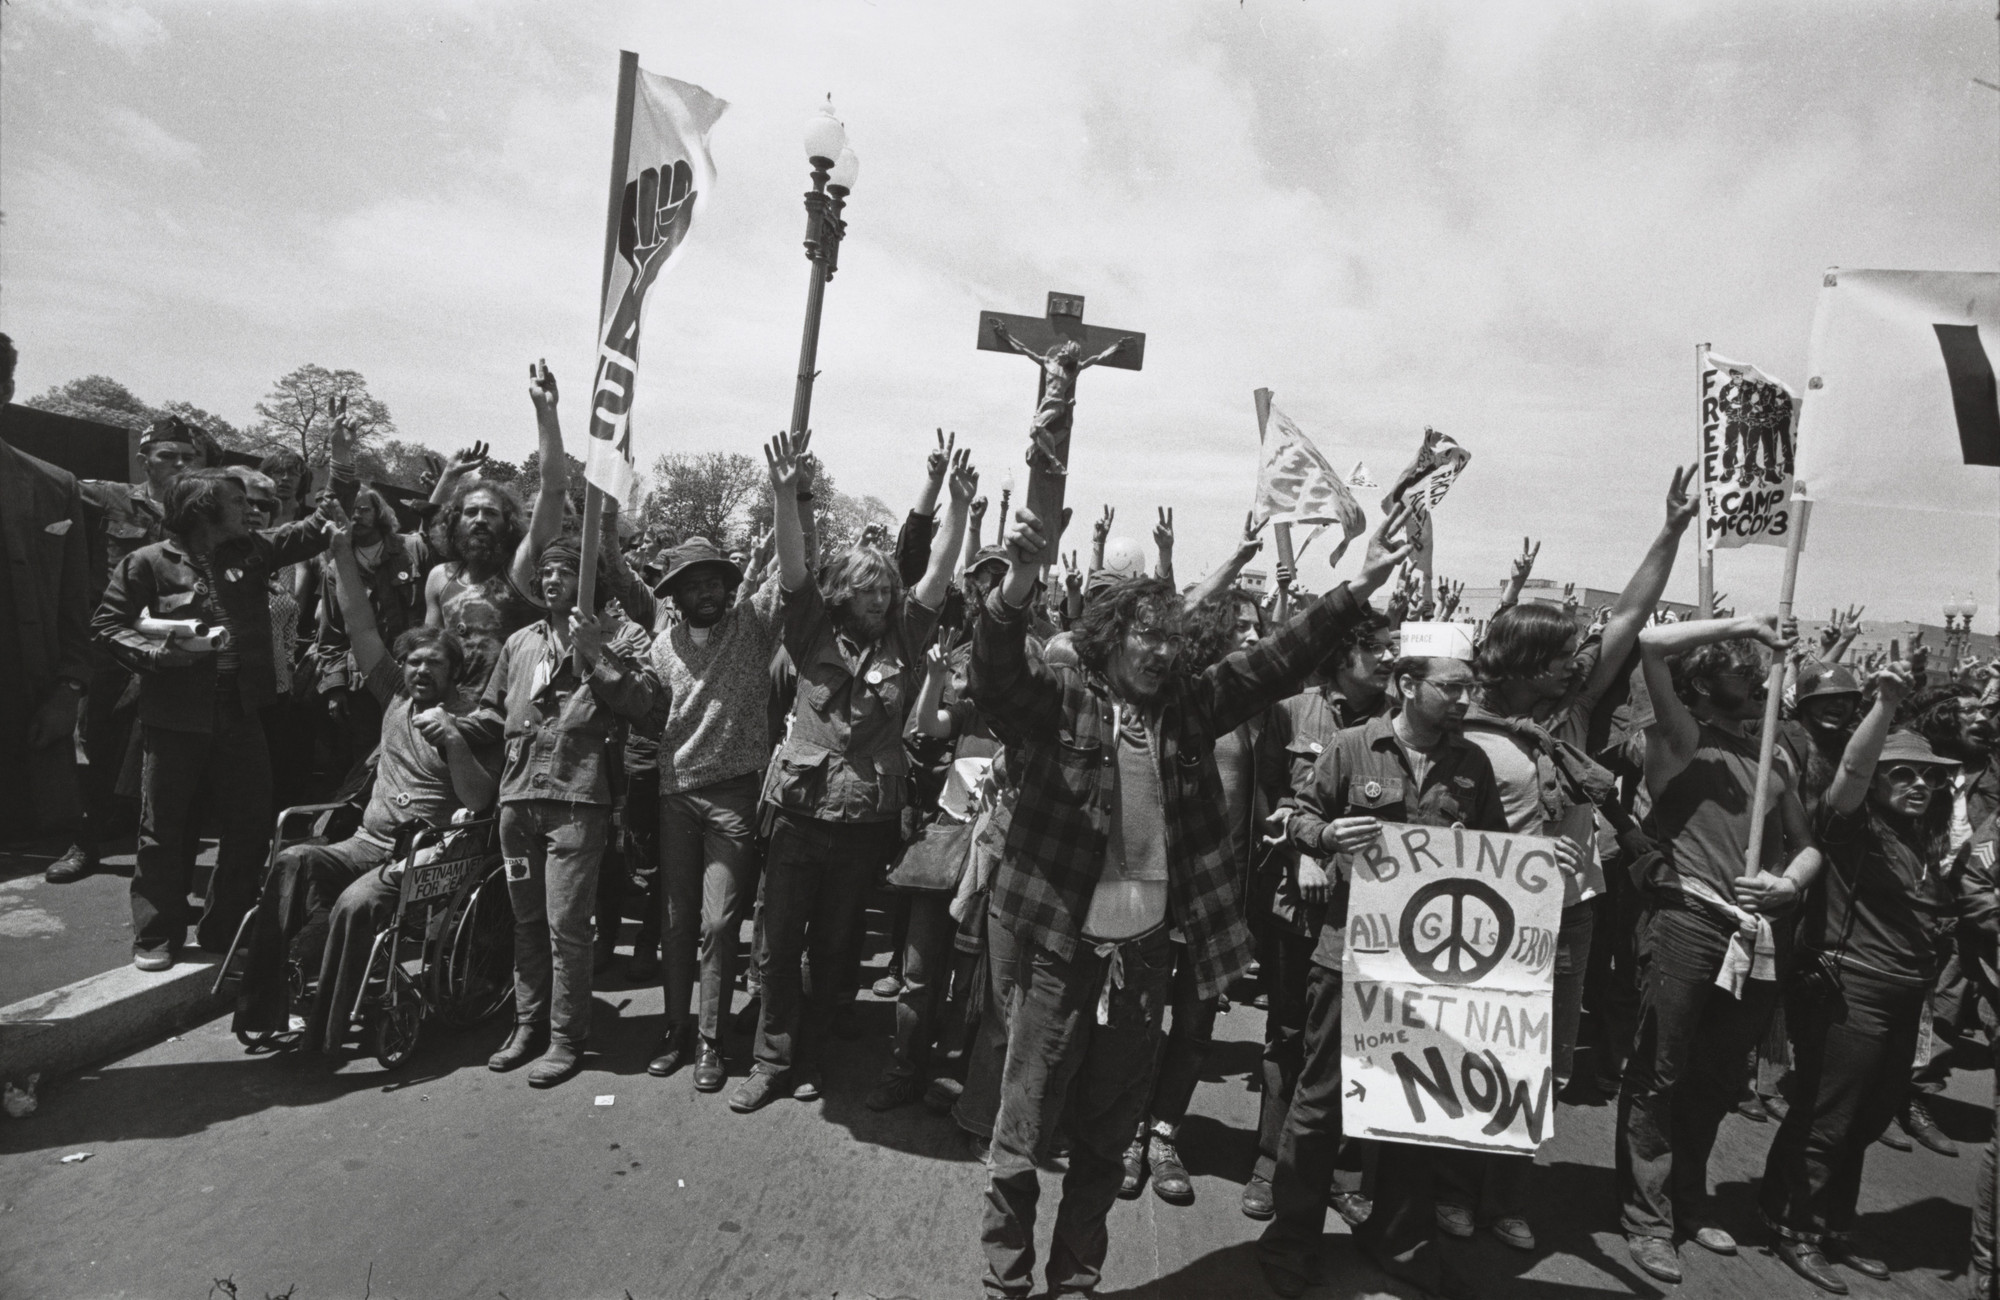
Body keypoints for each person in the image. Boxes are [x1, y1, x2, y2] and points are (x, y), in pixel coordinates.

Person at [970, 498, 1410, 1300]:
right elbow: (995, 672)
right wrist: (1017, 587)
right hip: (1057, 960)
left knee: (1107, 1142)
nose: (1161, 649)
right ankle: (1006, 1280)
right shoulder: (1062, 699)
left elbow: (1277, 659)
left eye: (1172, 637)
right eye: (1147, 634)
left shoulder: (1189, 710)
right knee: (1023, 1133)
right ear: (1110, 641)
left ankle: (1075, 1280)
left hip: (1141, 966)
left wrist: (1358, 584)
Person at [1441, 465, 1695, 1252]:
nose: (1577, 663)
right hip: (1486, 920)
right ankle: (1453, 1190)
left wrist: (1671, 531)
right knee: (1474, 1050)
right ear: (1521, 666)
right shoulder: (1460, 730)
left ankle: (1509, 1193)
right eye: (1561, 657)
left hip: (1569, 915)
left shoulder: (1573, 715)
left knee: (1539, 1062)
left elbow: (1627, 615)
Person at [1259, 621, 1518, 1300]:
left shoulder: (1474, 766)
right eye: (1452, 686)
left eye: (1470, 687)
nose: (1465, 699)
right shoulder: (1350, 747)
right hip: (1347, 955)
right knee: (1319, 1108)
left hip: (1429, 971)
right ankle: (1291, 1240)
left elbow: (1499, 860)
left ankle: (1401, 1241)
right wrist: (1322, 836)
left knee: (1412, 1109)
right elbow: (1298, 816)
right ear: (1407, 684)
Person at [729, 429, 972, 1113]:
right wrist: (785, 495)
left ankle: (811, 1060)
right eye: (863, 590)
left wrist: (957, 510)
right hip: (799, 815)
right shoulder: (807, 627)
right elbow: (793, 562)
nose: (875, 599)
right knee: (777, 944)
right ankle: (770, 1061)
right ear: (843, 593)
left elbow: (937, 577)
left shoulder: (905, 635)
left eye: (882, 590)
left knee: (836, 948)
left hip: (862, 818)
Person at [231, 501, 496, 1051]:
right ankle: (266, 1006)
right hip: (365, 842)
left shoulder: (469, 721)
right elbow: (358, 622)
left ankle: (321, 1033)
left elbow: (479, 798)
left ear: (454, 675)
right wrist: (342, 550)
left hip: (427, 855)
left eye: (435, 665)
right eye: (415, 662)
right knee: (292, 861)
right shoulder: (394, 693)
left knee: (355, 903)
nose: (422, 671)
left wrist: (451, 741)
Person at [1616, 614, 1823, 1284]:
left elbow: (1809, 845)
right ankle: (1645, 1219)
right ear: (1703, 684)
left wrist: (1789, 884)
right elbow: (1649, 644)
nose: (1759, 675)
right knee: (1661, 1069)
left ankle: (1686, 1200)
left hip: (1754, 932)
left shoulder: (1775, 757)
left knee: (1714, 1079)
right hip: (1685, 918)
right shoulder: (1679, 737)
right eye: (1742, 667)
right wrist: (1741, 623)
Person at [1761, 665, 1952, 1293]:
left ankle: (1834, 1225)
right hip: (1854, 993)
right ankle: (1794, 1226)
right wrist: (1887, 705)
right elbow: (1850, 775)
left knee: (1869, 1119)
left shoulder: (1921, 838)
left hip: (1904, 996)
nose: (1920, 784)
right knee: (1830, 1117)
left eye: (1930, 775)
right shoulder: (1853, 827)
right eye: (1904, 773)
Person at [92, 468, 332, 968]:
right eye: (238, 500)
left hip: (240, 713)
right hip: (173, 717)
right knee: (163, 828)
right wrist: (157, 656)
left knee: (248, 825)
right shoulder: (146, 563)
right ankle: (156, 936)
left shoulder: (253, 552)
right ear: (204, 508)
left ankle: (225, 929)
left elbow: (316, 527)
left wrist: (341, 460)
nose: (251, 510)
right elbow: (109, 625)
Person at [467, 535, 664, 1088]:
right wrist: (449, 728)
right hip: (517, 801)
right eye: (546, 572)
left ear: (589, 580)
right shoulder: (520, 641)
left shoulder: (623, 635)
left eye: (565, 571)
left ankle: (565, 1037)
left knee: (566, 926)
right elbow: (490, 710)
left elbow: (643, 705)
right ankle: (527, 1026)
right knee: (526, 921)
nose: (552, 579)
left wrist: (595, 653)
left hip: (578, 800)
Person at [1244, 605, 1399, 1224]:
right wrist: (1304, 851)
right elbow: (1269, 794)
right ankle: (1270, 1164)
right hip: (1296, 903)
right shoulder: (1292, 710)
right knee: (1288, 1033)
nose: (1391, 659)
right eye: (1378, 649)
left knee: (1368, 1038)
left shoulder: (1399, 724)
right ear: (1344, 655)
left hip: (1375, 914)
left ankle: (1343, 1171)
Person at [645, 535, 784, 1091]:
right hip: (675, 794)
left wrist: (792, 495)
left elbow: (799, 570)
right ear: (674, 595)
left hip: (732, 795)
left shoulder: (751, 626)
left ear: (728, 587)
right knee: (676, 924)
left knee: (720, 923)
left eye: (712, 581)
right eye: (690, 584)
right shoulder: (659, 649)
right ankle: (676, 1029)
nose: (704, 592)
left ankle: (711, 1038)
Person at [50, 412, 211, 883]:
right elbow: (53, 485)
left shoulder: (203, 513)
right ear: (146, 461)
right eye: (168, 457)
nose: (179, 465)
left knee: (172, 757)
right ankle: (84, 843)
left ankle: (164, 861)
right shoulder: (112, 498)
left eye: (188, 457)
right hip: (118, 649)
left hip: (181, 650)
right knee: (100, 745)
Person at [421, 361, 570, 687]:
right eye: (470, 513)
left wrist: (546, 411)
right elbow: (427, 654)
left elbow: (555, 490)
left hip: (511, 723)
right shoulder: (440, 579)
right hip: (450, 721)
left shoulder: (520, 569)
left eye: (490, 513)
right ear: (453, 521)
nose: (479, 520)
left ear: (509, 523)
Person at [0, 333, 93, 845]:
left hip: (25, 718)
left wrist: (69, 691)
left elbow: (75, 608)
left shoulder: (53, 486)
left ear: (7, 389)